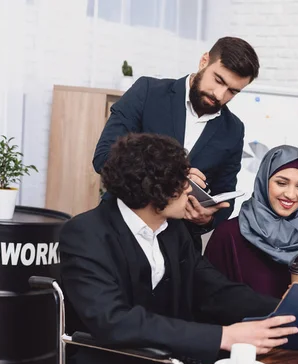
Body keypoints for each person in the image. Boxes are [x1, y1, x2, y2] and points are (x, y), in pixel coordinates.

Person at [61, 134, 297, 364]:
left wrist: (283, 308)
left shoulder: (174, 229)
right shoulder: (85, 234)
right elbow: (115, 321)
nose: (190, 189)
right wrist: (223, 336)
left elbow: (213, 289)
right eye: (182, 181)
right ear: (155, 189)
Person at [93, 37, 259, 248]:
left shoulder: (233, 129)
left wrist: (206, 218)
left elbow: (225, 196)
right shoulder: (147, 92)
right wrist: (176, 176)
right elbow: (104, 158)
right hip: (118, 232)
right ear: (204, 61)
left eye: (233, 92)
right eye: (218, 80)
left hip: (178, 247)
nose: (220, 95)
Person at [205, 145, 298, 298]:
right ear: (264, 181)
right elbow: (210, 299)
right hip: (244, 321)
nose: (291, 194)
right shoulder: (229, 233)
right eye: (281, 183)